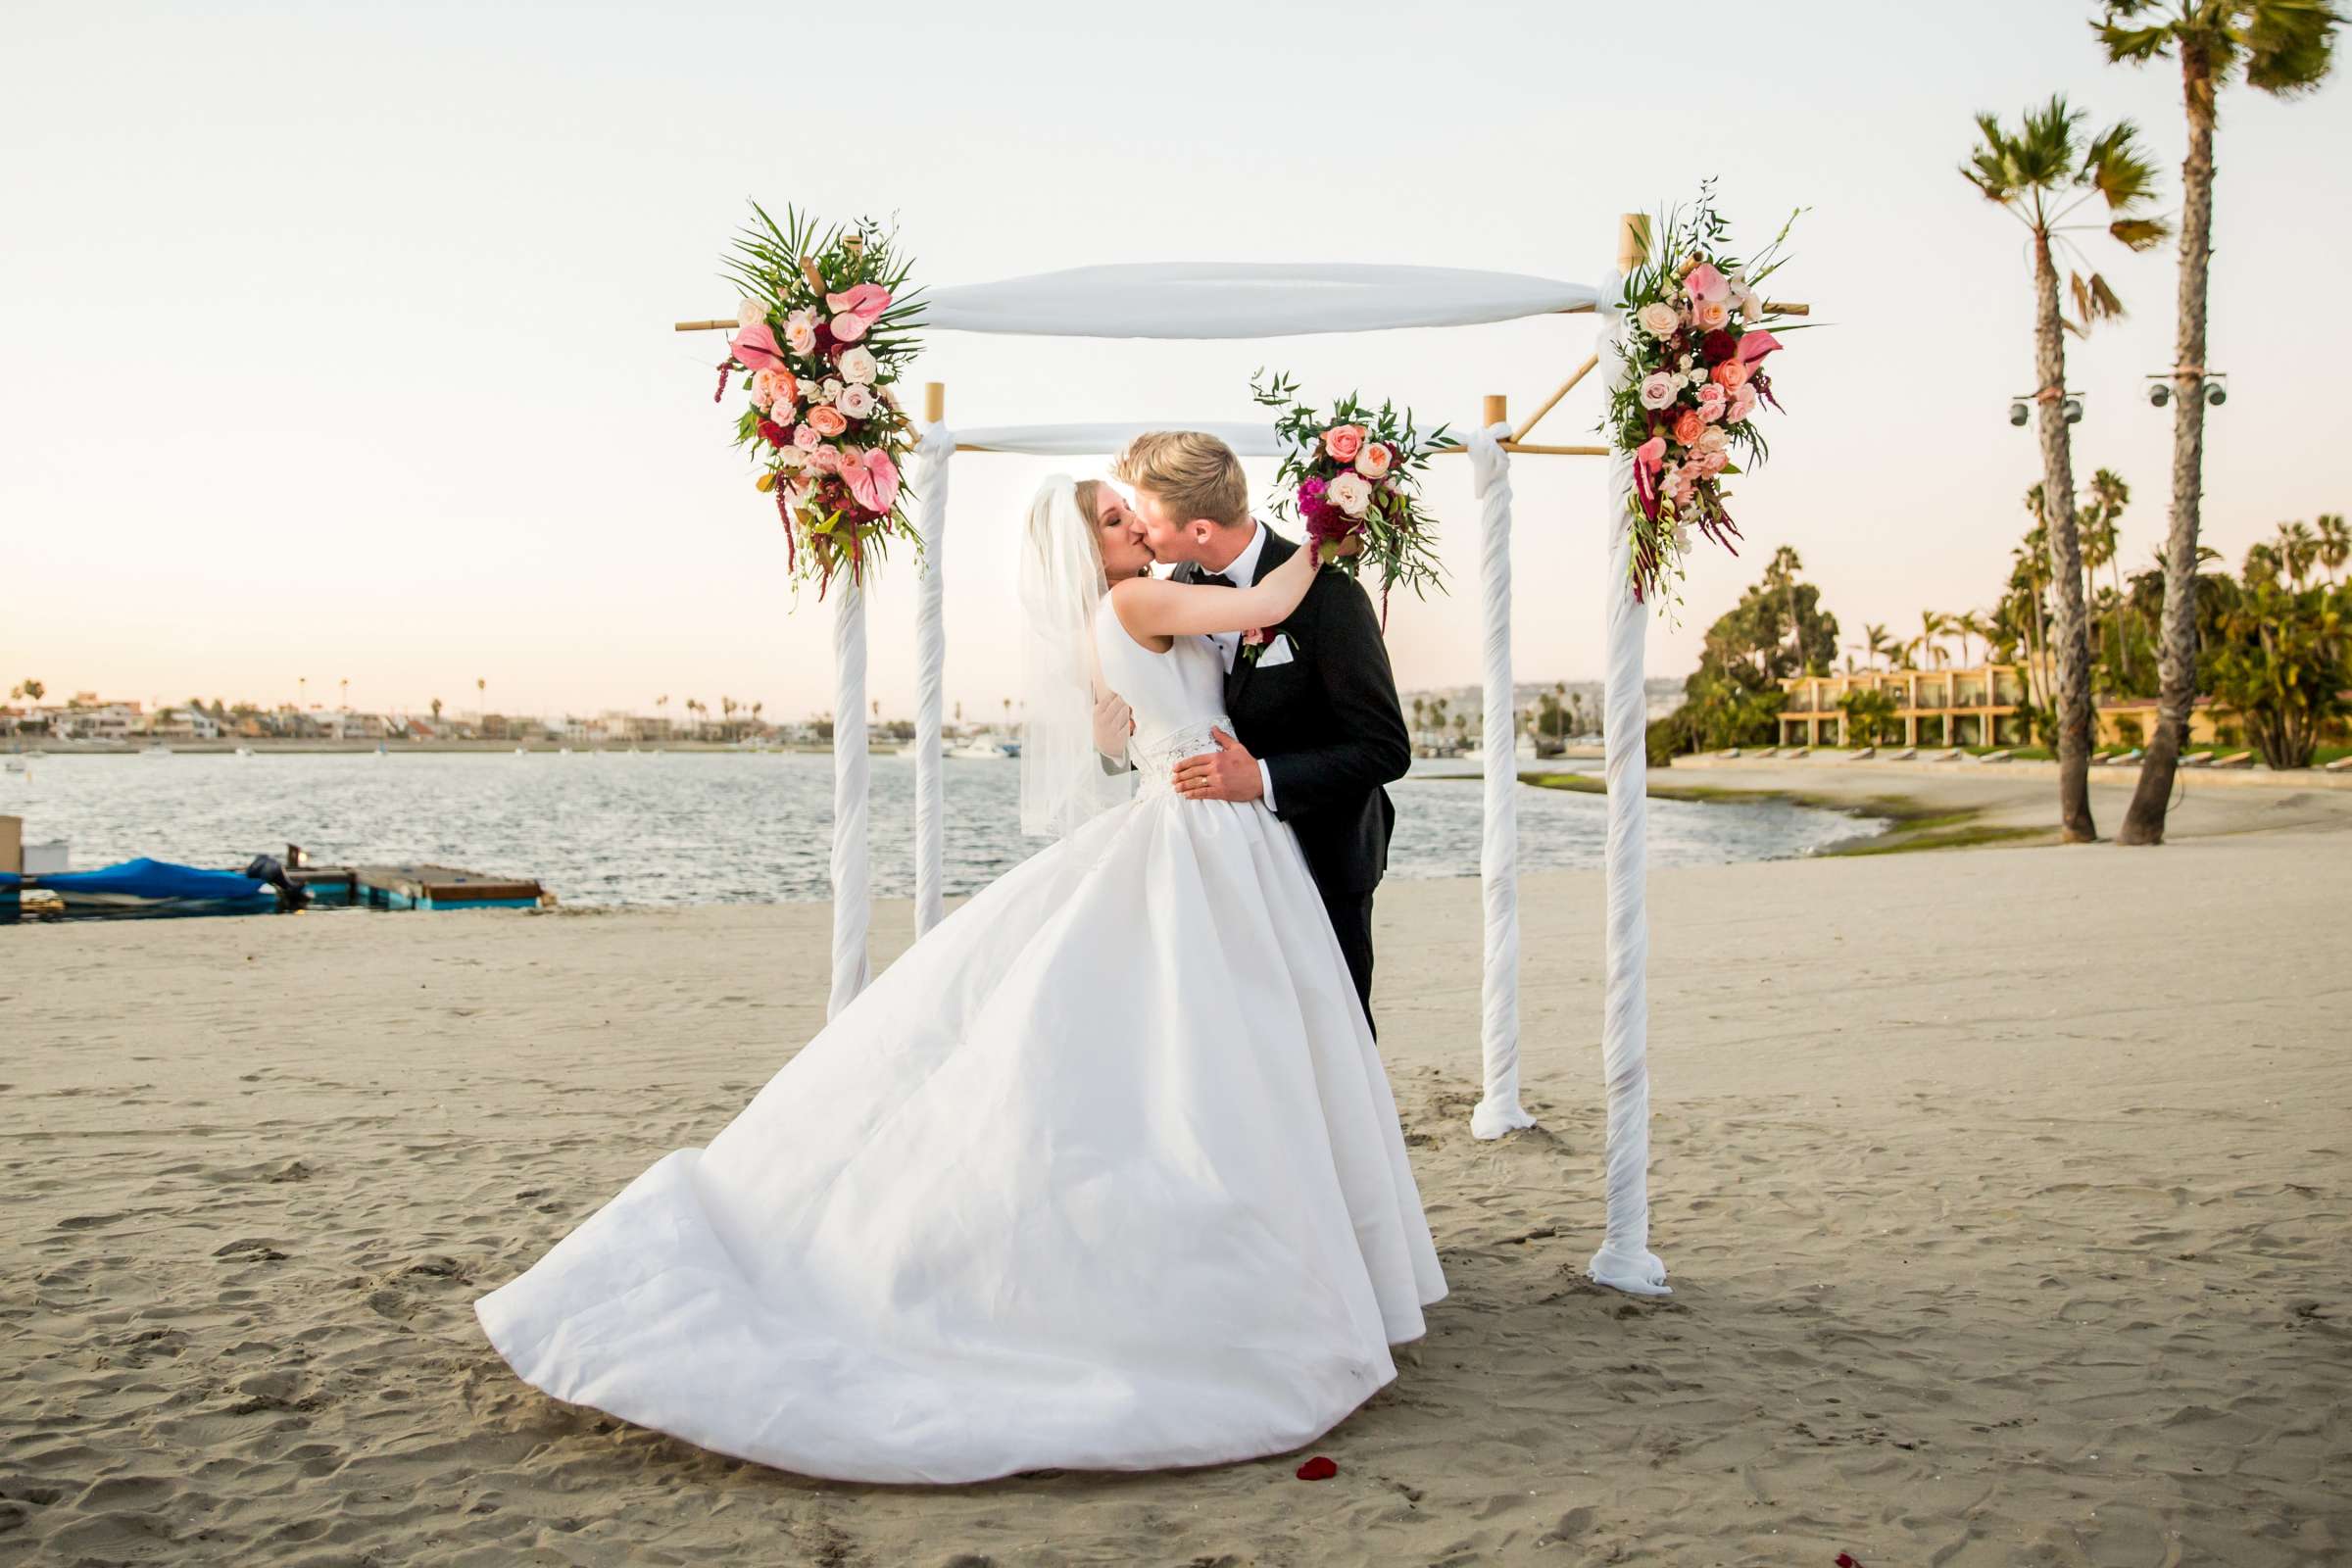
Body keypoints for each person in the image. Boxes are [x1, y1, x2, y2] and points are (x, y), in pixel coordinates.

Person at [473, 469, 1445, 1486]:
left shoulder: (1119, 616)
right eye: (1119, 519)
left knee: (1218, 1049)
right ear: (1089, 549)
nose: (1140, 526)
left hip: (1214, 833)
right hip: (1199, 835)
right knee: (1208, 1050)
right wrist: (1338, 522)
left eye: (1135, 510)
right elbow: (1262, 604)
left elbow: (1135, 724)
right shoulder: (1135, 600)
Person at [1105, 431, 1411, 1031]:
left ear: (1197, 528)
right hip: (1220, 860)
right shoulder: (1169, 591)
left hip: (1325, 851)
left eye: (1143, 509)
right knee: (1246, 1034)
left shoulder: (1329, 597)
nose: (1137, 524)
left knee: (1335, 1031)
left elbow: (1385, 748)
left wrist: (1263, 778)